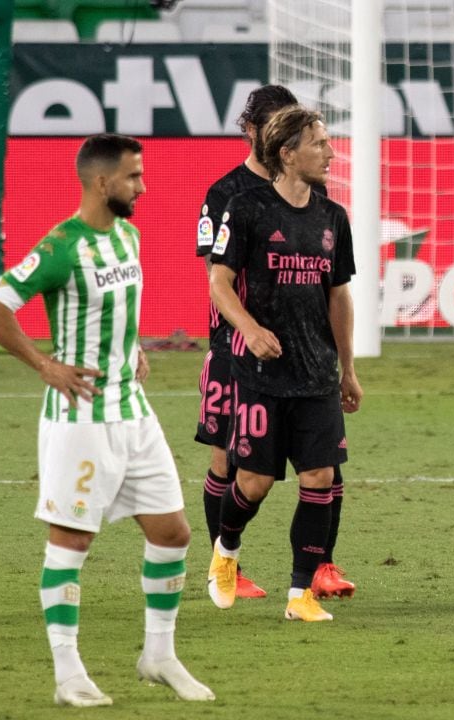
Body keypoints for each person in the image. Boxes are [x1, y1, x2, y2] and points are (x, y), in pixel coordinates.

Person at [0, 134, 214, 706]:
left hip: (133, 411)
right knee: (72, 541)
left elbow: (112, 312)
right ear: (102, 182)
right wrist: (43, 363)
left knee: (173, 533)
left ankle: (159, 654)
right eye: (134, 176)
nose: (143, 185)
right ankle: (68, 673)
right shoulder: (62, 245)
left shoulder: (128, 235)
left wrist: (129, 348)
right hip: (80, 419)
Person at [196, 85, 355, 601]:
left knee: (322, 469)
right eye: (319, 142)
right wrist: (247, 330)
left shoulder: (327, 209)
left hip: (313, 365)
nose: (330, 152)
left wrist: (345, 365)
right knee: (238, 468)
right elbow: (218, 277)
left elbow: (337, 291)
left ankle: (314, 573)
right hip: (241, 356)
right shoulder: (233, 199)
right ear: (270, 138)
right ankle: (225, 561)